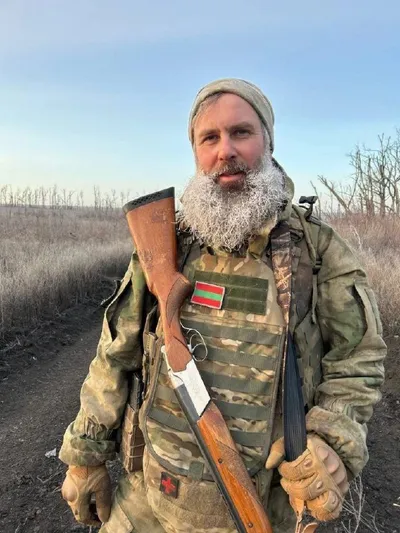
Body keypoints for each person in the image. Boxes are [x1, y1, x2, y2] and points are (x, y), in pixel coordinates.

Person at [59, 78, 386, 533]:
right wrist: (84, 457)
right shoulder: (165, 246)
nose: (225, 150)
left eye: (241, 133)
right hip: (148, 502)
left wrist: (332, 438)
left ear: (268, 141)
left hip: (258, 509)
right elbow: (115, 352)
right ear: (195, 152)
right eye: (208, 138)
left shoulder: (319, 251)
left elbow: (358, 360)